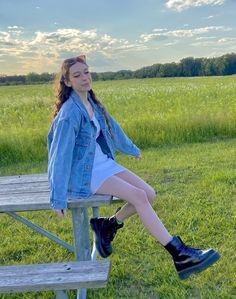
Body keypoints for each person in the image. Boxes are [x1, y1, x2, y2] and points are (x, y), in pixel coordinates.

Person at [47, 55, 221, 280]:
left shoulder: (92, 102)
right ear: (68, 82)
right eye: (77, 75)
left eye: (87, 72)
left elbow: (113, 129)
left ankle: (108, 225)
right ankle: (180, 255)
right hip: (84, 172)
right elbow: (59, 155)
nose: (84, 78)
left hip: (101, 163)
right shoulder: (69, 113)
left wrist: (131, 148)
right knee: (139, 196)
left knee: (149, 194)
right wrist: (58, 197)